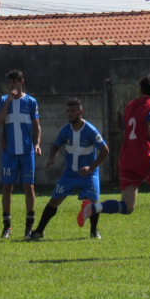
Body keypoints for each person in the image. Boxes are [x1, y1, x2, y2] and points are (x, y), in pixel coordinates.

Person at [81, 75, 150, 254]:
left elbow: (133, 131)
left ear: (140, 90)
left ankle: (93, 208)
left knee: (127, 206)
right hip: (144, 157)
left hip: (126, 157)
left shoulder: (130, 106)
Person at [29, 98, 108, 240]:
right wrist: (51, 158)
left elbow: (105, 150)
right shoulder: (65, 130)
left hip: (88, 174)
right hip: (70, 174)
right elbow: (55, 147)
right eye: (68, 111)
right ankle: (39, 231)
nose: (69, 114)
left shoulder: (90, 130)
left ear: (80, 112)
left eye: (72, 111)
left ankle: (94, 231)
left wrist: (91, 168)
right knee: (53, 202)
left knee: (93, 201)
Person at [0, 70, 40, 239]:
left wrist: (37, 145)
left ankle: (29, 225)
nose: (12, 85)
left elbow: (37, 126)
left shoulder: (31, 101)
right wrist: (8, 101)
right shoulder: (4, 101)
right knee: (7, 187)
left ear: (22, 82)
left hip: (27, 152)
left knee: (29, 186)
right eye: (10, 83)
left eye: (15, 82)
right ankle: (7, 226)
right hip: (10, 152)